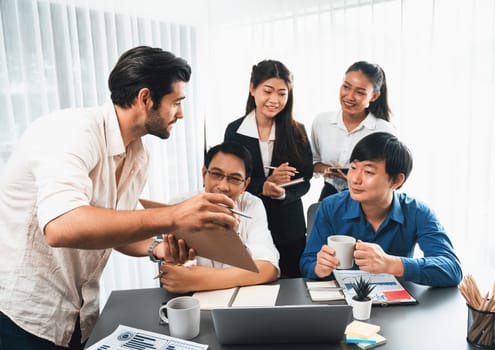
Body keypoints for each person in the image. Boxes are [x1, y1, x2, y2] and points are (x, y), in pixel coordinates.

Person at [0, 46, 238, 349]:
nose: (181, 113)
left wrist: (159, 249)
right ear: (145, 98)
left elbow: (115, 229)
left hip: (79, 315)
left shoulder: (138, 155)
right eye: (176, 102)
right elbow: (62, 226)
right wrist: (175, 214)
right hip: (23, 317)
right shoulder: (71, 132)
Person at [300, 132, 462, 287]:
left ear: (396, 181)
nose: (355, 179)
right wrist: (318, 267)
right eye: (353, 168)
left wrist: (391, 263)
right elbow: (307, 261)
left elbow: (452, 269)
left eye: (368, 172)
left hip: (396, 307)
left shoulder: (417, 212)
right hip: (343, 303)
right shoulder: (331, 207)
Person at [224, 59, 313, 278]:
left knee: (292, 286)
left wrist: (283, 192)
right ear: (252, 88)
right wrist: (263, 186)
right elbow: (229, 179)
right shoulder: (235, 131)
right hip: (248, 224)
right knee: (253, 284)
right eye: (268, 91)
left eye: (282, 94)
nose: (275, 100)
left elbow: (306, 180)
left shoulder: (296, 131)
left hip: (289, 227)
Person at [160, 141, 280, 293]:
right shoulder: (178, 205)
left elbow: (269, 268)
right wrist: (244, 274)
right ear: (204, 174)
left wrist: (198, 279)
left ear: (245, 184)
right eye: (216, 174)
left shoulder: (252, 205)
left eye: (235, 178)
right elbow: (174, 277)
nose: (223, 186)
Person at [311, 61, 396, 201]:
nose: (350, 96)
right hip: (329, 196)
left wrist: (356, 176)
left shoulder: (383, 130)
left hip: (368, 200)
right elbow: (313, 162)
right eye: (346, 87)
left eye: (360, 92)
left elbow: (390, 175)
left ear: (374, 96)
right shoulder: (322, 122)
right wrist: (326, 169)